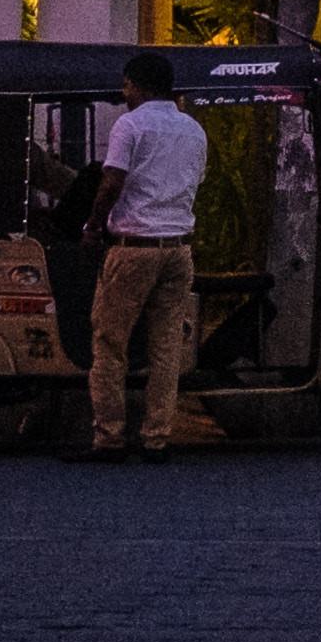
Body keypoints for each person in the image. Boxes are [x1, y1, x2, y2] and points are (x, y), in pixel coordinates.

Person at [63, 48, 207, 464]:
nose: (124, 93)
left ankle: (109, 437)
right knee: (165, 347)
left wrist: (92, 226)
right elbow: (195, 182)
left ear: (140, 86)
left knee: (110, 342)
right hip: (178, 249)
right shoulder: (194, 131)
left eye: (126, 85)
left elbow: (110, 183)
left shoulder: (130, 125)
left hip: (134, 248)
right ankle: (156, 438)